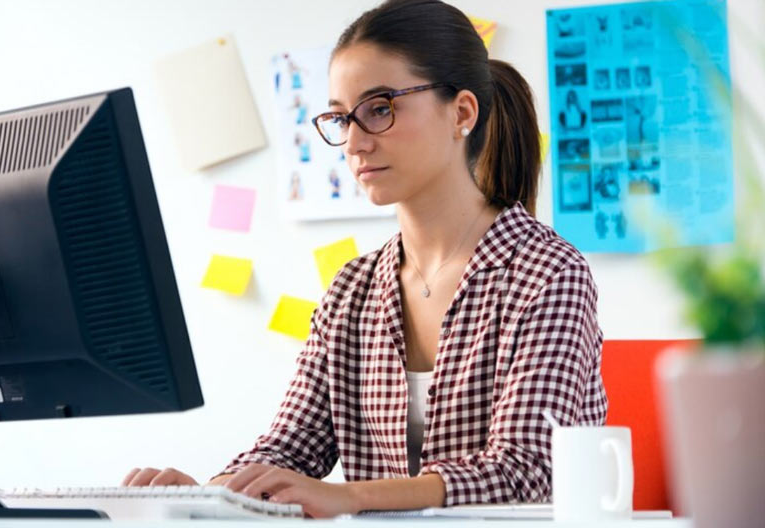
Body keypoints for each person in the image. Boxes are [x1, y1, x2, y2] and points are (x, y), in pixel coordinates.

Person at [122, 0, 607, 519]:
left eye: (379, 108)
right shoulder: (352, 288)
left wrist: (349, 496)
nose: (353, 142)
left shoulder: (549, 272)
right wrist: (210, 492)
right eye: (340, 117)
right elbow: (291, 447)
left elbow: (525, 472)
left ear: (462, 113)